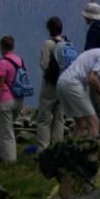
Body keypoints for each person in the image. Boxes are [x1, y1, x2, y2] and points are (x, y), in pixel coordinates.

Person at [0, 35, 24, 163]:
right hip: (19, 99)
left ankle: (10, 161)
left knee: (7, 132)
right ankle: (1, 156)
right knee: (4, 129)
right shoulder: (19, 60)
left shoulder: (2, 63)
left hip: (6, 100)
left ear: (2, 47)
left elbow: (0, 84)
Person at [36, 16, 66, 151]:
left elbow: (44, 64)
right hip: (64, 84)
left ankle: (43, 150)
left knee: (44, 118)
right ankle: (58, 148)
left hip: (50, 84)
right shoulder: (66, 43)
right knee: (59, 119)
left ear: (49, 29)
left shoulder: (48, 44)